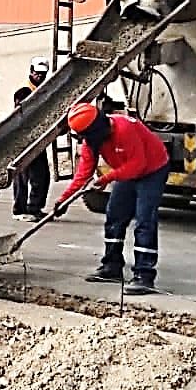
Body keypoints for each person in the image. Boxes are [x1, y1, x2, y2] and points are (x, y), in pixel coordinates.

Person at [62, 101, 170, 295]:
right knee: (114, 216)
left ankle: (144, 276)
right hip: (128, 171)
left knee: (144, 220)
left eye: (85, 137)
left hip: (152, 169)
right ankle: (111, 266)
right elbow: (83, 174)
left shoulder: (125, 128)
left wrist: (106, 178)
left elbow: (138, 164)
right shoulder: (91, 141)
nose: (83, 141)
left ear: (96, 129)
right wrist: (63, 200)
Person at [11, 56, 51, 220]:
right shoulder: (24, 92)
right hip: (24, 140)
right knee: (24, 175)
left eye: (43, 74)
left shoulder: (45, 89)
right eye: (37, 73)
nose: (39, 76)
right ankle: (22, 209)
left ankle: (33, 208)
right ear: (31, 71)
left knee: (41, 175)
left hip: (37, 139)